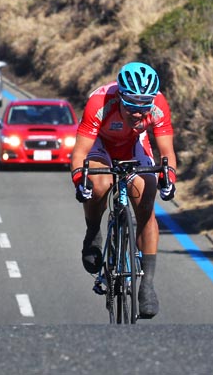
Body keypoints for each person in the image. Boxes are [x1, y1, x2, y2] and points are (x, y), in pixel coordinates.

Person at [69, 62, 177, 319]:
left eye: (144, 106)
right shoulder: (99, 102)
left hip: (133, 146)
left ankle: (147, 284)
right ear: (120, 97)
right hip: (101, 145)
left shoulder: (159, 105)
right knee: (100, 183)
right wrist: (79, 182)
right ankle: (93, 231)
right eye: (132, 106)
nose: (139, 114)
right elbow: (79, 153)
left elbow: (167, 153)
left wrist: (168, 179)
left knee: (147, 194)